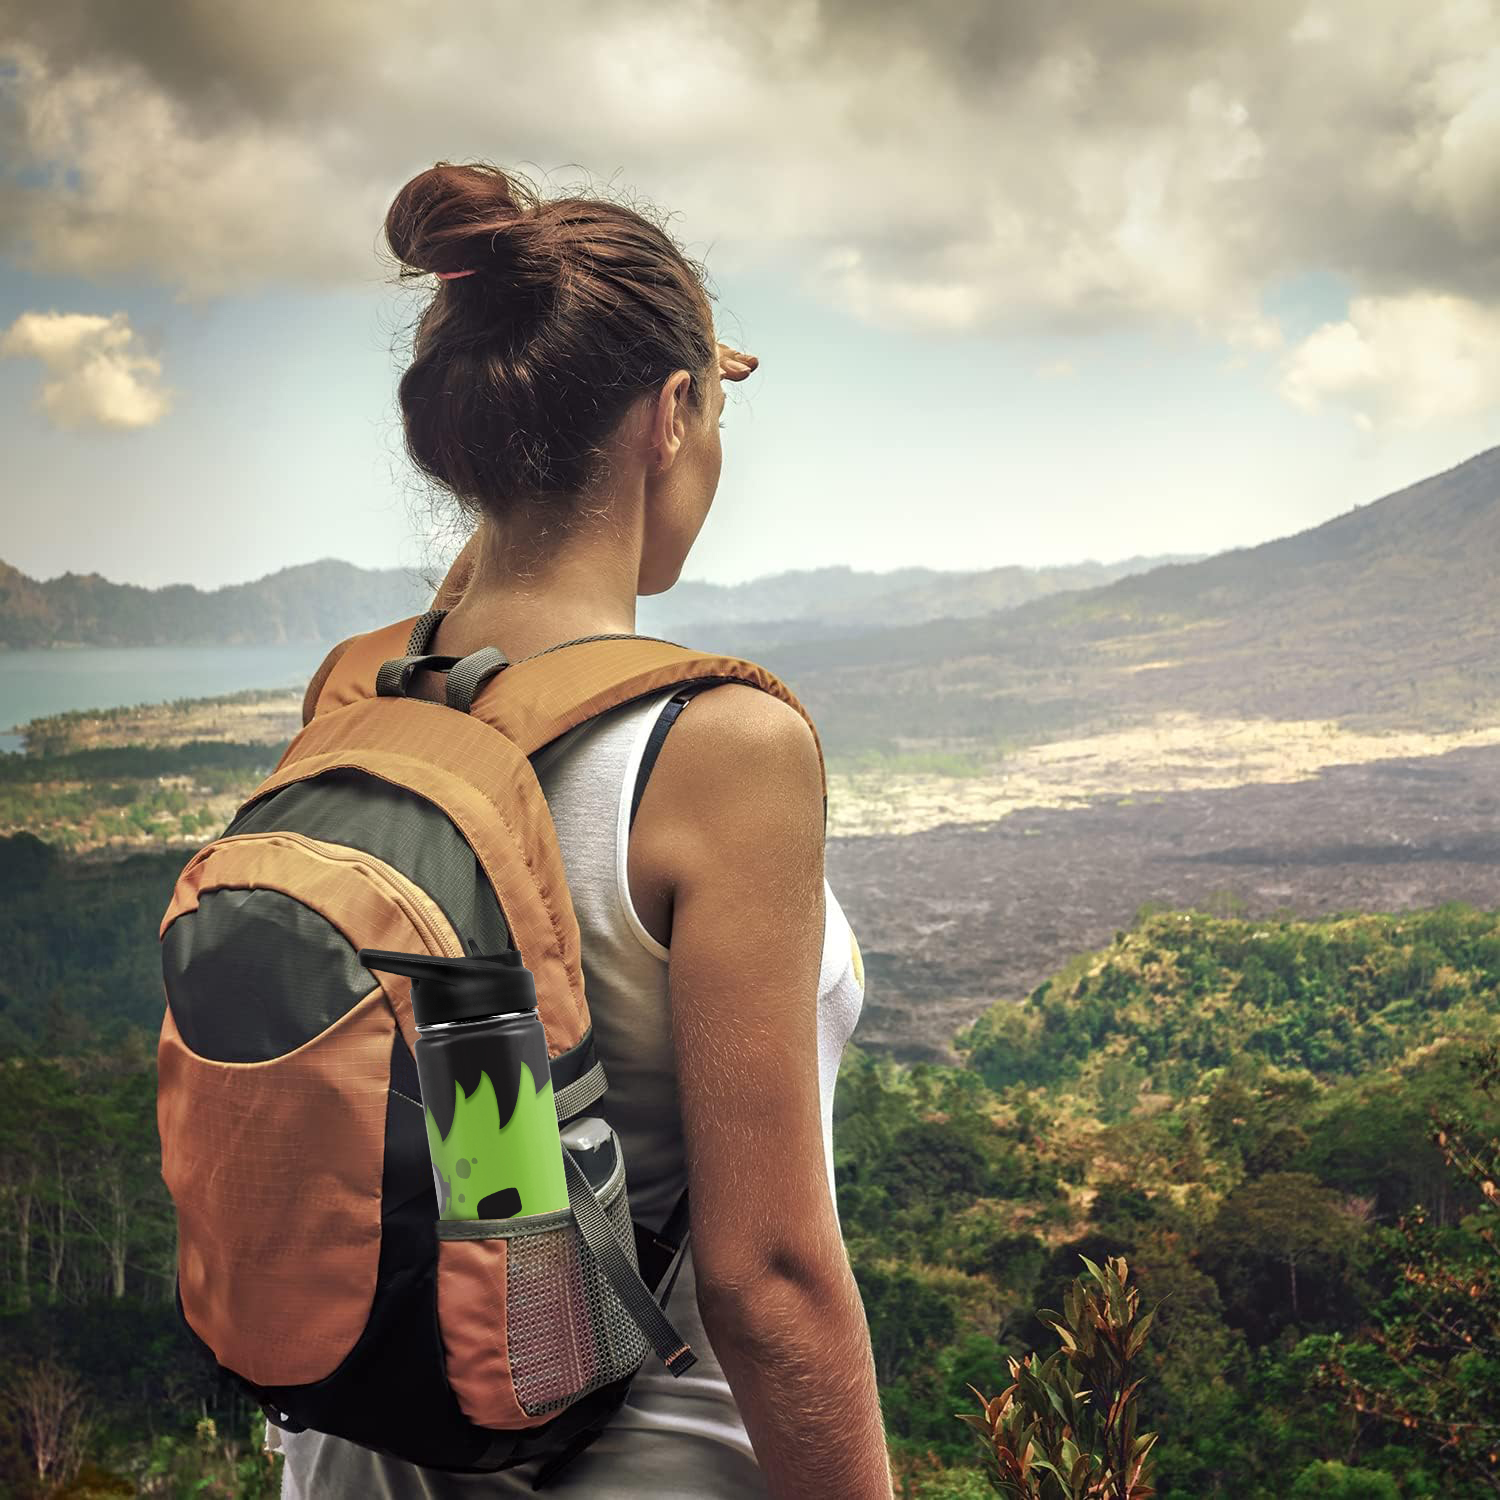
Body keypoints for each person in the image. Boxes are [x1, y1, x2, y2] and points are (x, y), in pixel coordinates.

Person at [269, 160, 893, 1499]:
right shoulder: (721, 748)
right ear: (672, 418)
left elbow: (499, 610)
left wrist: (633, 380)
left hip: (356, 1464)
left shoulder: (359, 694)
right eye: (703, 414)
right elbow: (768, 1278)